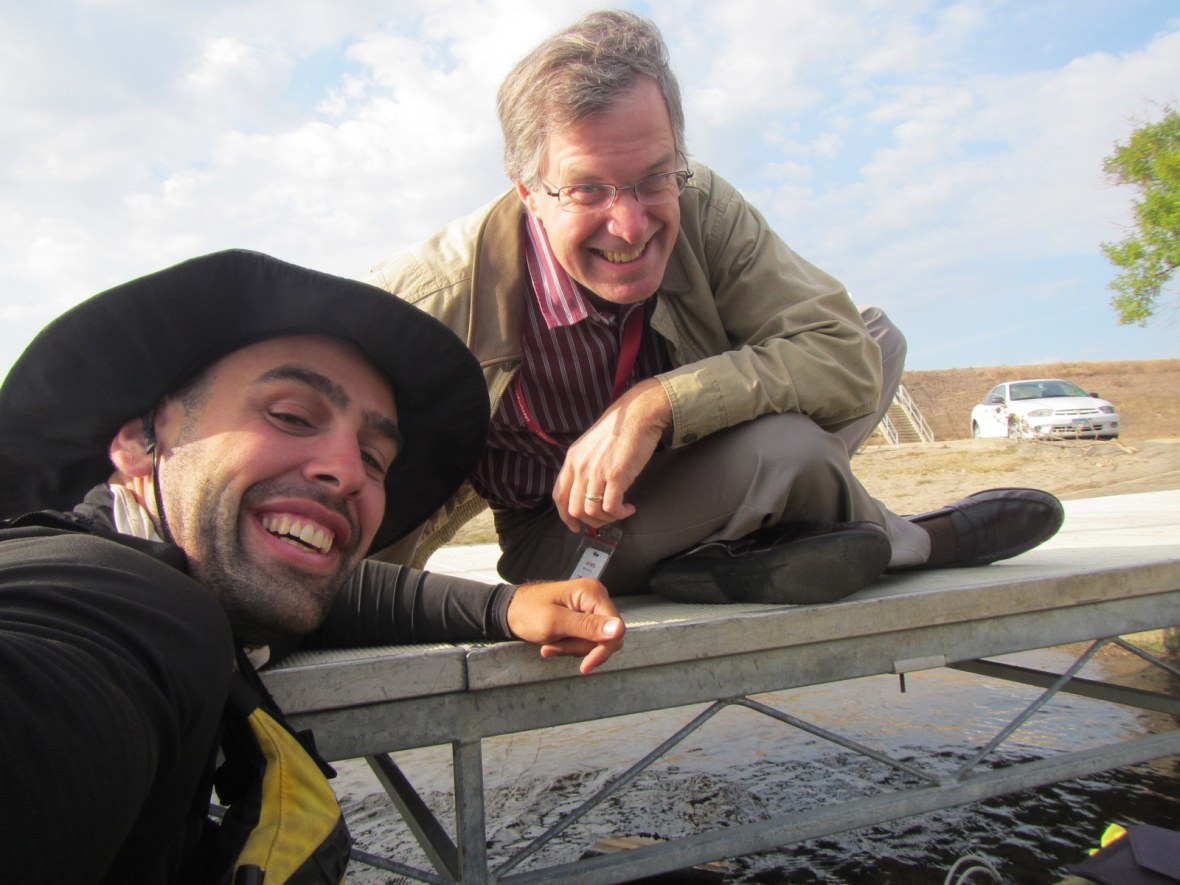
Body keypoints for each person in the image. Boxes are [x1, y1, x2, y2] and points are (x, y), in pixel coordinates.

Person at [366, 9, 1064, 605]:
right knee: (789, 449)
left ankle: (725, 554)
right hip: (569, 534)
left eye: (654, 178)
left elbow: (843, 354)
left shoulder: (702, 202)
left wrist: (656, 406)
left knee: (877, 340)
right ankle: (914, 540)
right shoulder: (428, 300)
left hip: (692, 458)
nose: (630, 226)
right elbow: (342, 483)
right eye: (587, 190)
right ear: (528, 192)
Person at [0, 249, 623, 884]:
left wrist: (505, 605)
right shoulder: (111, 604)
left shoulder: (206, 582)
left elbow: (342, 595)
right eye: (291, 416)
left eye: (374, 459)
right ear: (138, 444)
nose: (348, 471)